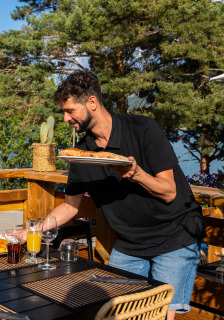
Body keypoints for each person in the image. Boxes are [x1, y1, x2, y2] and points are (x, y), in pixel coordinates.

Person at [46, 70, 205, 320]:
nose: (65, 118)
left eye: (70, 111)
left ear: (92, 103)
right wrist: (31, 231)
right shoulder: (80, 153)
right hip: (130, 243)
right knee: (112, 311)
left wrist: (134, 172)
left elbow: (169, 192)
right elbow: (70, 207)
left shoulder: (143, 129)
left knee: (161, 315)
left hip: (175, 235)